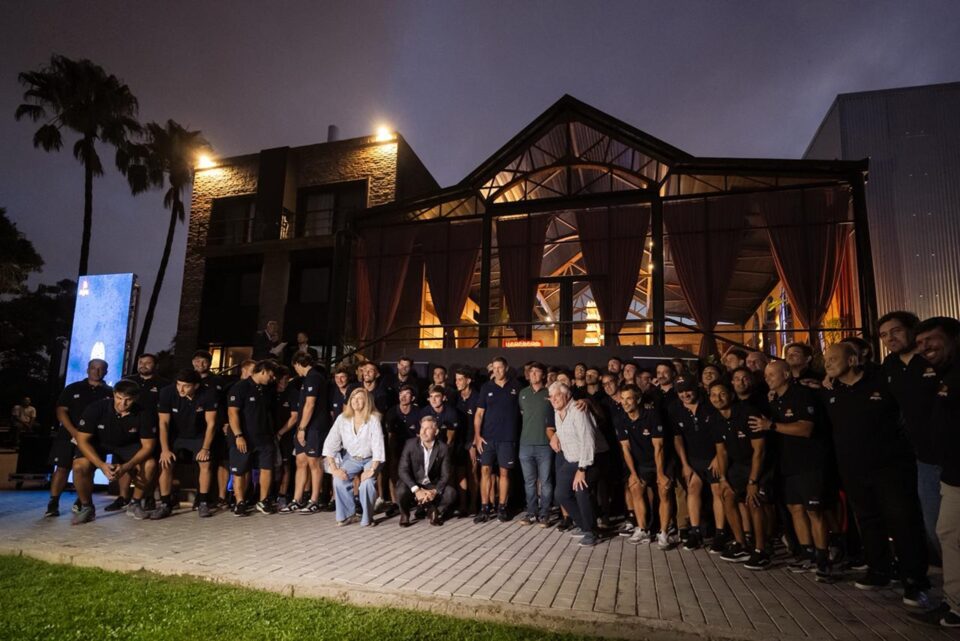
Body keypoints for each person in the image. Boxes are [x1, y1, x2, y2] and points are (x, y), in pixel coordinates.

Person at [821, 342, 931, 605]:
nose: (828, 364)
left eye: (834, 358)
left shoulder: (881, 383)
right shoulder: (830, 392)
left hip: (890, 467)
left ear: (852, 360)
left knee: (903, 521)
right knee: (868, 520)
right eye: (826, 360)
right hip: (853, 469)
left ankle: (914, 580)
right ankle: (878, 570)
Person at [751, 360, 834, 580]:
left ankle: (824, 559)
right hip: (787, 464)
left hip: (810, 463)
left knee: (814, 511)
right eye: (766, 375)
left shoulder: (802, 395)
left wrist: (772, 426)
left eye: (772, 374)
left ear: (786, 374)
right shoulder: (774, 399)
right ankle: (807, 553)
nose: (767, 378)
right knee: (795, 508)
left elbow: (806, 428)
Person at [880, 311, 943, 562]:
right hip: (922, 456)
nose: (890, 338)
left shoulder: (933, 359)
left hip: (950, 450)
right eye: (884, 335)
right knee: (935, 526)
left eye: (895, 331)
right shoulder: (889, 365)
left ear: (912, 330)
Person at [914, 316, 960, 626]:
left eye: (931, 339)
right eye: (920, 342)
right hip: (950, 472)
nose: (924, 347)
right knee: (948, 534)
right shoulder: (943, 373)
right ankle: (955, 603)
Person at [71, 380, 157, 525]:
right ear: (114, 394)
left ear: (136, 398)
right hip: (98, 443)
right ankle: (86, 507)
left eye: (128, 400)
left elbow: (148, 446)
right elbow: (82, 440)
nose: (122, 403)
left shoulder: (144, 413)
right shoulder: (96, 408)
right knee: (79, 466)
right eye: (119, 398)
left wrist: (126, 467)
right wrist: (101, 465)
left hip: (128, 445)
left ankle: (135, 503)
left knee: (150, 464)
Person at [709, 380, 770, 568]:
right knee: (727, 496)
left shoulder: (748, 413)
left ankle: (761, 551)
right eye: (713, 395)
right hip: (737, 465)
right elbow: (721, 452)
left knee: (754, 501)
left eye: (722, 394)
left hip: (758, 464)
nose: (717, 398)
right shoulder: (716, 418)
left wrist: (753, 481)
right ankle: (741, 545)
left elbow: (759, 451)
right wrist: (723, 478)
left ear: (731, 395)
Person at [44, 359, 113, 518]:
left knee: (87, 470)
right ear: (88, 369)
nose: (97, 371)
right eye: (93, 368)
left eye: (100, 369)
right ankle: (53, 503)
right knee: (62, 468)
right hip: (68, 435)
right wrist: (74, 432)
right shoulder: (72, 388)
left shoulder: (110, 392)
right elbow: (61, 411)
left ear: (106, 372)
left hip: (93, 439)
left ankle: (82, 501)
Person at [155, 369, 219, 518]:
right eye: (178, 385)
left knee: (205, 463)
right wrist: (165, 449)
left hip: (198, 435)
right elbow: (163, 423)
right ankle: (165, 504)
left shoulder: (208, 393)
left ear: (196, 386)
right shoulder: (167, 392)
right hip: (175, 435)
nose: (181, 389)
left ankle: (203, 502)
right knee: (165, 463)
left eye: (186, 386)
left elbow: (211, 423)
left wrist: (205, 448)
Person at [669, 376, 723, 552]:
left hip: (714, 457)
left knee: (717, 492)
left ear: (696, 389)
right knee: (692, 489)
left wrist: (718, 457)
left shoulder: (710, 405)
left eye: (688, 390)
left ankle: (720, 534)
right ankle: (695, 532)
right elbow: (677, 438)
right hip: (693, 459)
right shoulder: (675, 409)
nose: (685, 394)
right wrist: (685, 464)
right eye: (681, 391)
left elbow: (722, 431)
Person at [616, 384, 671, 547]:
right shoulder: (621, 419)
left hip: (661, 461)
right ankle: (642, 529)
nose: (625, 403)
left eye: (629, 399)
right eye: (622, 399)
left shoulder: (652, 416)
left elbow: (659, 447)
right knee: (634, 487)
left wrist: (660, 474)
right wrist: (633, 474)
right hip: (641, 463)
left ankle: (663, 533)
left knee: (664, 490)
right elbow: (625, 449)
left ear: (638, 399)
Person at [322, 388, 385, 527]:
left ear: (367, 401)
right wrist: (334, 469)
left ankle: (367, 518)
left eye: (360, 398)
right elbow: (329, 445)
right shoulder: (342, 418)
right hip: (352, 458)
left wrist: (371, 470)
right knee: (339, 479)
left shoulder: (374, 419)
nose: (356, 401)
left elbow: (378, 447)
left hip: (371, 458)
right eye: (353, 398)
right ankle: (348, 515)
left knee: (367, 483)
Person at [549, 381, 601, 547]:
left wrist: (582, 469)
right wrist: (555, 436)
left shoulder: (578, 410)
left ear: (567, 395)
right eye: (551, 396)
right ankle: (584, 525)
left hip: (589, 460)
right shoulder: (557, 412)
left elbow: (588, 440)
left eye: (557, 395)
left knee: (581, 490)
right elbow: (563, 430)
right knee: (561, 494)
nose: (554, 399)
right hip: (571, 460)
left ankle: (592, 532)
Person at [227, 360, 280, 515]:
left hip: (265, 437)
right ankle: (240, 502)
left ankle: (263, 501)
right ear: (263, 371)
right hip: (244, 437)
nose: (272, 378)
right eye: (270, 375)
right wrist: (238, 435)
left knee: (267, 468)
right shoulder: (240, 387)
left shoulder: (268, 389)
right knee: (240, 470)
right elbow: (232, 413)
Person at [281, 353, 331, 514]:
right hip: (305, 427)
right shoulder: (307, 379)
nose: (295, 370)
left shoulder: (314, 377)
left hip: (314, 427)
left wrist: (302, 429)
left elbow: (310, 404)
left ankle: (314, 500)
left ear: (297, 363)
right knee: (301, 462)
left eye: (295, 367)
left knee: (314, 463)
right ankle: (297, 499)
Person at [473, 356, 521, 523]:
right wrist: (477, 436)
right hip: (487, 439)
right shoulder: (486, 387)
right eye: (494, 368)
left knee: (504, 473)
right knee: (485, 471)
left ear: (506, 368)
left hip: (507, 438)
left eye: (500, 367)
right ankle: (485, 508)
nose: (497, 371)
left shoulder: (516, 387)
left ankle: (502, 507)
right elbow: (479, 414)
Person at [396, 415, 456, 526]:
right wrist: (416, 489)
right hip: (414, 483)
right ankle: (405, 514)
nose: (423, 432)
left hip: (431, 484)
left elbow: (445, 475)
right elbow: (402, 470)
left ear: (436, 432)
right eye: (422, 428)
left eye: (427, 428)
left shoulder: (443, 448)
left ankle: (434, 512)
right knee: (401, 489)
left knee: (450, 493)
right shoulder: (410, 444)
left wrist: (434, 491)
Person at [517, 362, 553, 526]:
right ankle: (531, 513)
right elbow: (522, 413)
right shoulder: (523, 393)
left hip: (545, 445)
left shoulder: (550, 393)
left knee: (545, 482)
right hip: (525, 444)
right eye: (531, 372)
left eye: (537, 372)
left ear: (543, 375)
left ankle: (545, 514)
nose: (533, 375)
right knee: (529, 482)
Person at [384, 384, 420, 508]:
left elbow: (420, 435)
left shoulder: (418, 412)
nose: (403, 397)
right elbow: (390, 435)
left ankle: (417, 499)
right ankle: (395, 502)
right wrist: (391, 453)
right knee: (393, 468)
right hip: (396, 445)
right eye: (401, 394)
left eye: (406, 394)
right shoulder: (392, 412)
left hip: (413, 447)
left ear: (413, 398)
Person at [454, 367, 481, 515]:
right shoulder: (455, 397)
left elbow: (481, 421)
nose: (457, 382)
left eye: (460, 379)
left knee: (472, 473)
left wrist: (474, 443)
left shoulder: (477, 397)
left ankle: (473, 504)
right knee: (460, 473)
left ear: (468, 380)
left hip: (472, 441)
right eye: (456, 379)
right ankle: (463, 505)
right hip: (459, 442)